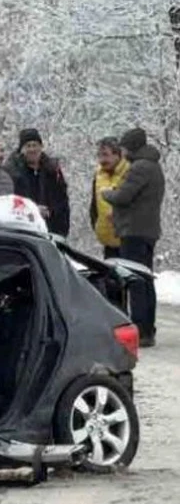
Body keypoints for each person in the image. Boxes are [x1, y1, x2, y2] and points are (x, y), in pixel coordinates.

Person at [102, 127, 165, 348]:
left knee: (136, 281)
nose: (123, 151)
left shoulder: (139, 168)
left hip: (134, 231)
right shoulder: (154, 166)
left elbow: (123, 196)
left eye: (125, 146)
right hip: (148, 231)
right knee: (146, 281)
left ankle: (140, 329)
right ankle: (148, 327)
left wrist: (107, 193)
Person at [5, 128, 70, 236]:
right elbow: (10, 202)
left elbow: (62, 200)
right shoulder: (12, 172)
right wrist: (33, 210)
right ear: (22, 149)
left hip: (52, 230)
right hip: (24, 231)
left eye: (35, 145)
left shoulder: (52, 171)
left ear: (41, 147)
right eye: (28, 146)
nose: (32, 149)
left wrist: (61, 228)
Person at [89, 137, 130, 259]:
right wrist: (96, 225)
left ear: (118, 155)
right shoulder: (99, 175)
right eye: (100, 155)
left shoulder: (131, 173)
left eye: (106, 155)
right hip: (109, 242)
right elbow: (94, 206)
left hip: (131, 242)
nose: (102, 160)